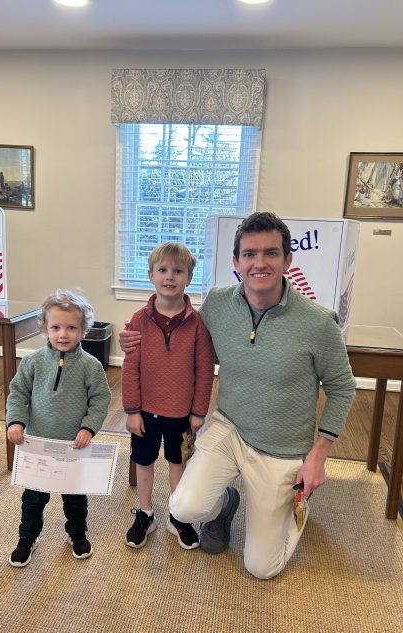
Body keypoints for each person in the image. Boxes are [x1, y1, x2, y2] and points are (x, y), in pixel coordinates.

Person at [120, 212, 356, 579]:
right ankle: (226, 503)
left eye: (271, 253)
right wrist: (135, 341)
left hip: (280, 447)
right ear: (236, 262)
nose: (259, 263)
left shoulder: (318, 322)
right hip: (228, 429)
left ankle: (294, 507)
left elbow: (343, 388)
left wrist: (318, 457)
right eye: (249, 254)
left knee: (261, 567)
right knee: (183, 507)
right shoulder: (217, 304)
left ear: (288, 260)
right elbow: (188, 349)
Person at [7, 289, 111, 567]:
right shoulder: (32, 362)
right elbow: (18, 393)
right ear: (44, 328)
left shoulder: (91, 366)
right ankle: (27, 538)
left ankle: (76, 534)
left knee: (75, 497)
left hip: (73, 447)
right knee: (33, 499)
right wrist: (16, 421)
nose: (63, 334)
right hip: (38, 445)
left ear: (83, 329)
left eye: (71, 327)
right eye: (55, 327)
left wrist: (89, 427)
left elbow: (101, 399)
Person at [122, 242, 215, 550]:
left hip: (181, 413)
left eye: (178, 271)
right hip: (145, 412)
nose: (170, 277)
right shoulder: (138, 320)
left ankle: (179, 516)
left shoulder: (198, 323)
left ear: (189, 277)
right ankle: (145, 512)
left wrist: (199, 411)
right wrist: (132, 410)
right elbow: (130, 367)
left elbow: (204, 370)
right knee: (144, 462)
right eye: (163, 270)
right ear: (151, 275)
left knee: (179, 463)